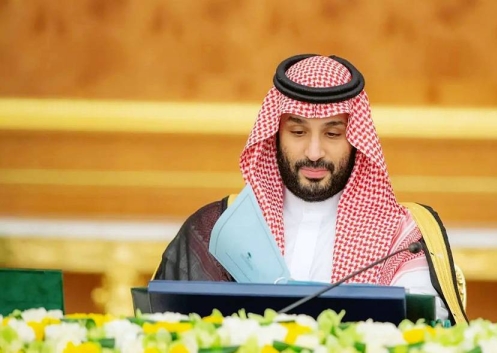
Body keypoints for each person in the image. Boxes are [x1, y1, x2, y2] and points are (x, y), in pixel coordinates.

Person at [153, 54, 468, 324]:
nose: (314, 152)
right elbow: (165, 328)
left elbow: (420, 330)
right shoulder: (215, 230)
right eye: (298, 131)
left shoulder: (403, 237)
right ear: (275, 134)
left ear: (355, 140)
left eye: (332, 134)